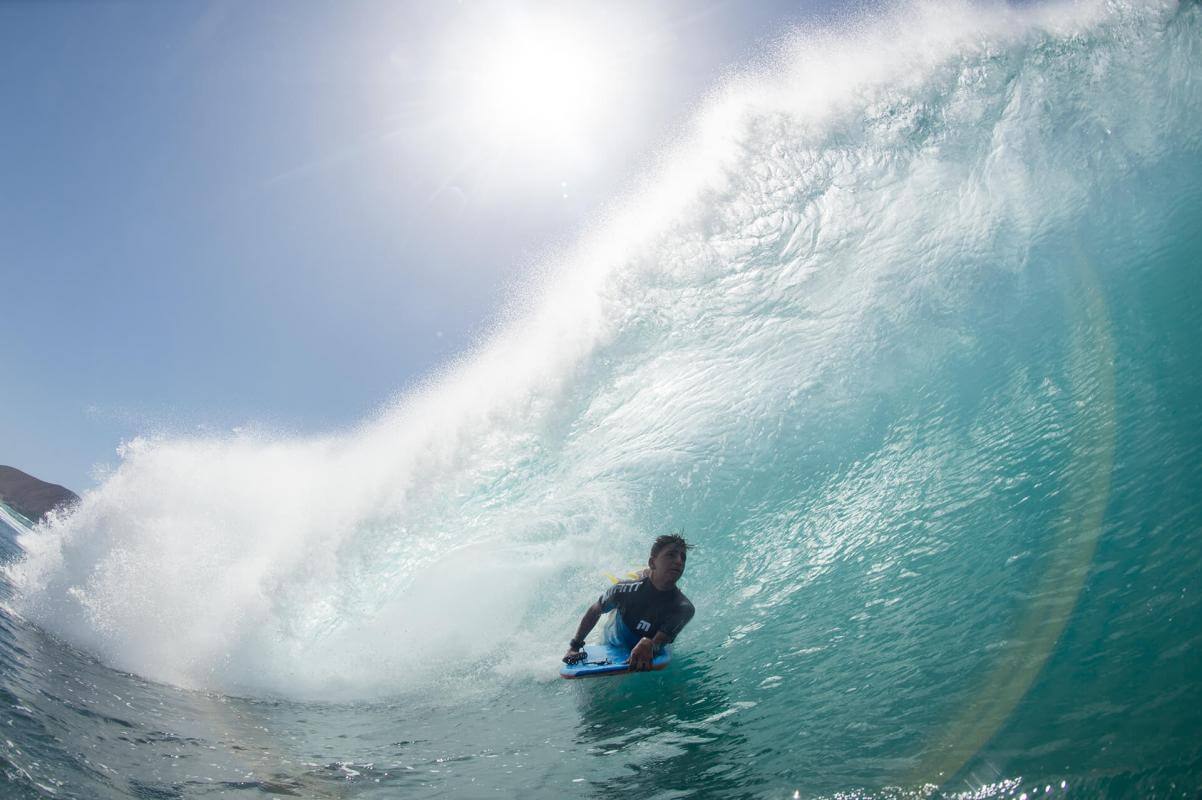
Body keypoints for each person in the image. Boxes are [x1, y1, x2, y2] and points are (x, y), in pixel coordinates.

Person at [563, 533, 695, 671]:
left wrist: (649, 644)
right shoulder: (623, 590)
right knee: (620, 600)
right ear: (652, 562)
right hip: (615, 632)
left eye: (683, 557)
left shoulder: (683, 608)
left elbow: (660, 642)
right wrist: (574, 646)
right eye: (671, 555)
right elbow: (596, 608)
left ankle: (646, 575)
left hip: (646, 621)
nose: (679, 561)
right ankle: (641, 575)